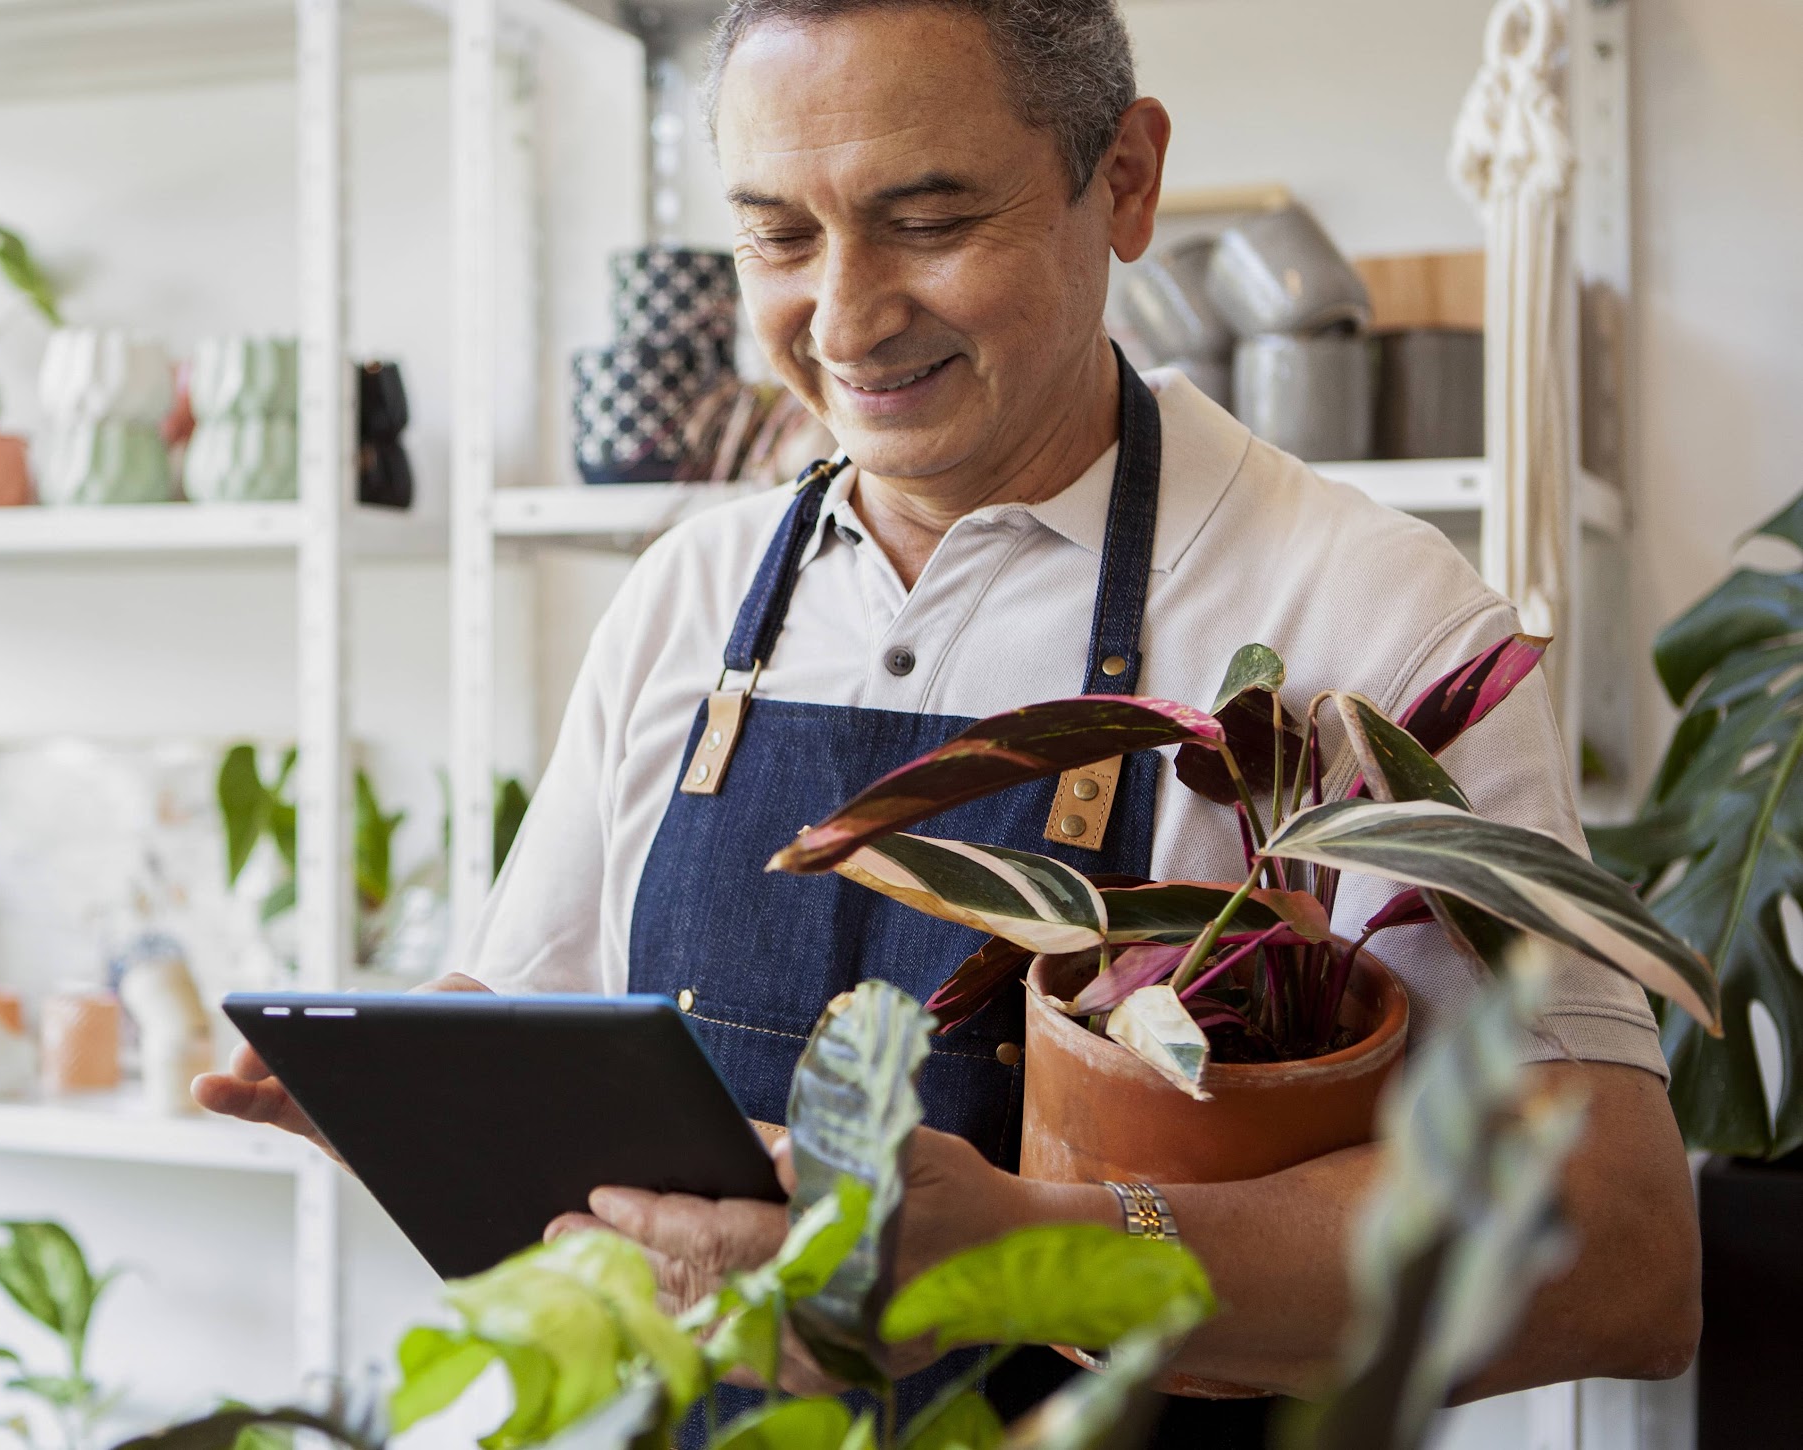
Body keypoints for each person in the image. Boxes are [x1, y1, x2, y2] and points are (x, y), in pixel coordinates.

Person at [198, 0, 1699, 1436]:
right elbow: (537, 1037)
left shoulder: (1366, 615)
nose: (842, 316)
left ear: (1121, 180)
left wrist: (1031, 1245)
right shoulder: (689, 596)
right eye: (777, 234)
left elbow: (1618, 1254)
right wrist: (427, 1103)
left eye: (926, 219)